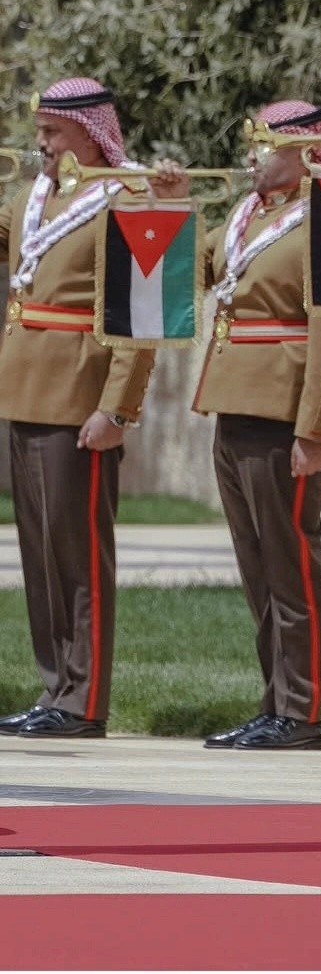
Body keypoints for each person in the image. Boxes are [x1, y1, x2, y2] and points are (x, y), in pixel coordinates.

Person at [168, 101, 321, 751]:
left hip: (284, 410)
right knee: (257, 564)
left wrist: (317, 429)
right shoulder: (248, 215)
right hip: (232, 400)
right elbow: (188, 271)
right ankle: (274, 701)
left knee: (290, 562)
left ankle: (301, 711)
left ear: (306, 151)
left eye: (265, 143)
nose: (252, 155)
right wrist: (170, 203)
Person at [0, 78, 157, 739]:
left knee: (79, 557)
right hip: (24, 390)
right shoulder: (37, 198)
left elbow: (141, 316)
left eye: (53, 133)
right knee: (39, 557)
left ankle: (83, 699)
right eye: (39, 132)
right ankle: (55, 688)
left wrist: (116, 408)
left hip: (77, 397)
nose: (41, 143)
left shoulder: (127, 198)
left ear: (91, 134)